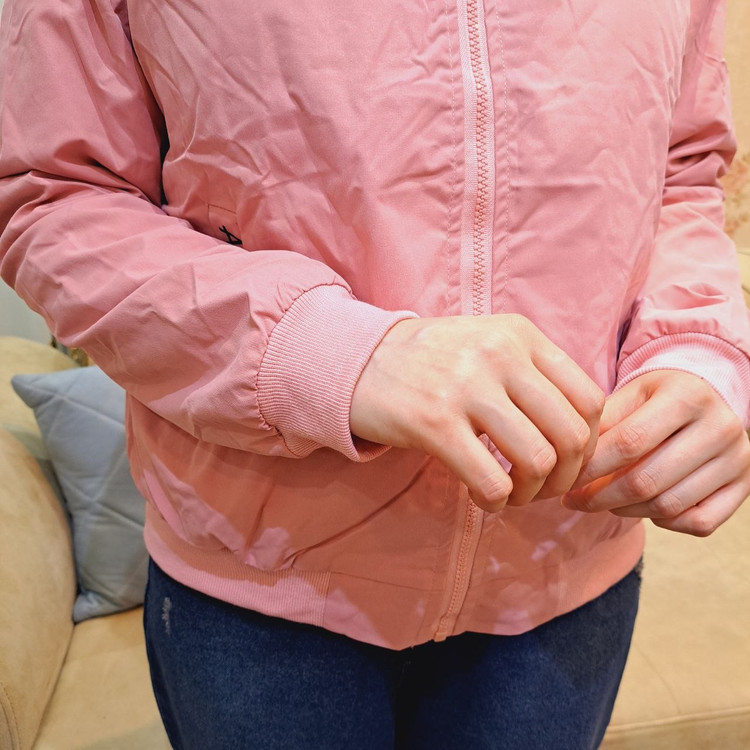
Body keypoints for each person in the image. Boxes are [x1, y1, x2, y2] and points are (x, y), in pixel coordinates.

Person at [1, 0, 749, 747]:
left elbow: (680, 175)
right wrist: (330, 354)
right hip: (262, 587)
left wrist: (697, 346)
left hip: (564, 567)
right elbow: (52, 193)